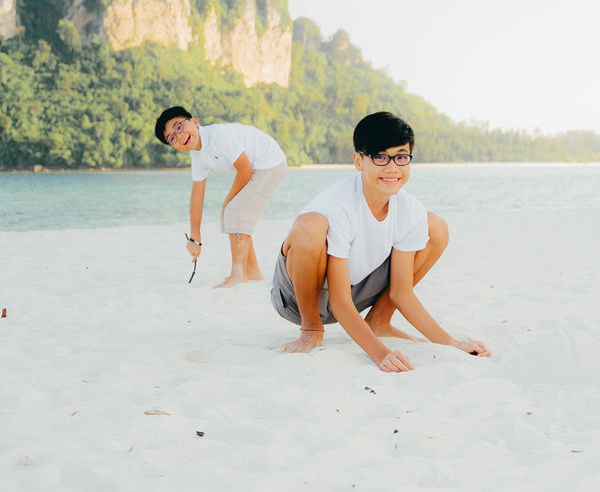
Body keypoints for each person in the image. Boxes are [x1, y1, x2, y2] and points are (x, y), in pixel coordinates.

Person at [271, 111, 490, 371]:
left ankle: (379, 321)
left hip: (355, 293)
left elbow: (401, 292)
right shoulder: (339, 205)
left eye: (401, 157)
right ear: (358, 161)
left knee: (436, 227)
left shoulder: (409, 210)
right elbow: (340, 301)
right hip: (299, 298)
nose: (392, 168)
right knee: (311, 225)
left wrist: (452, 344)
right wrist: (380, 354)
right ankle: (311, 329)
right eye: (379, 157)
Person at [155, 107, 288, 288]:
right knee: (233, 212)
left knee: (233, 210)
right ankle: (252, 272)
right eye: (172, 138)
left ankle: (238, 275)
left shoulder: (217, 136)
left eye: (178, 127)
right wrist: (195, 238)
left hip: (270, 163)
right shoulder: (198, 156)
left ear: (194, 122)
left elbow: (245, 169)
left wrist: (227, 201)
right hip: (257, 167)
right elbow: (197, 196)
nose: (178, 136)